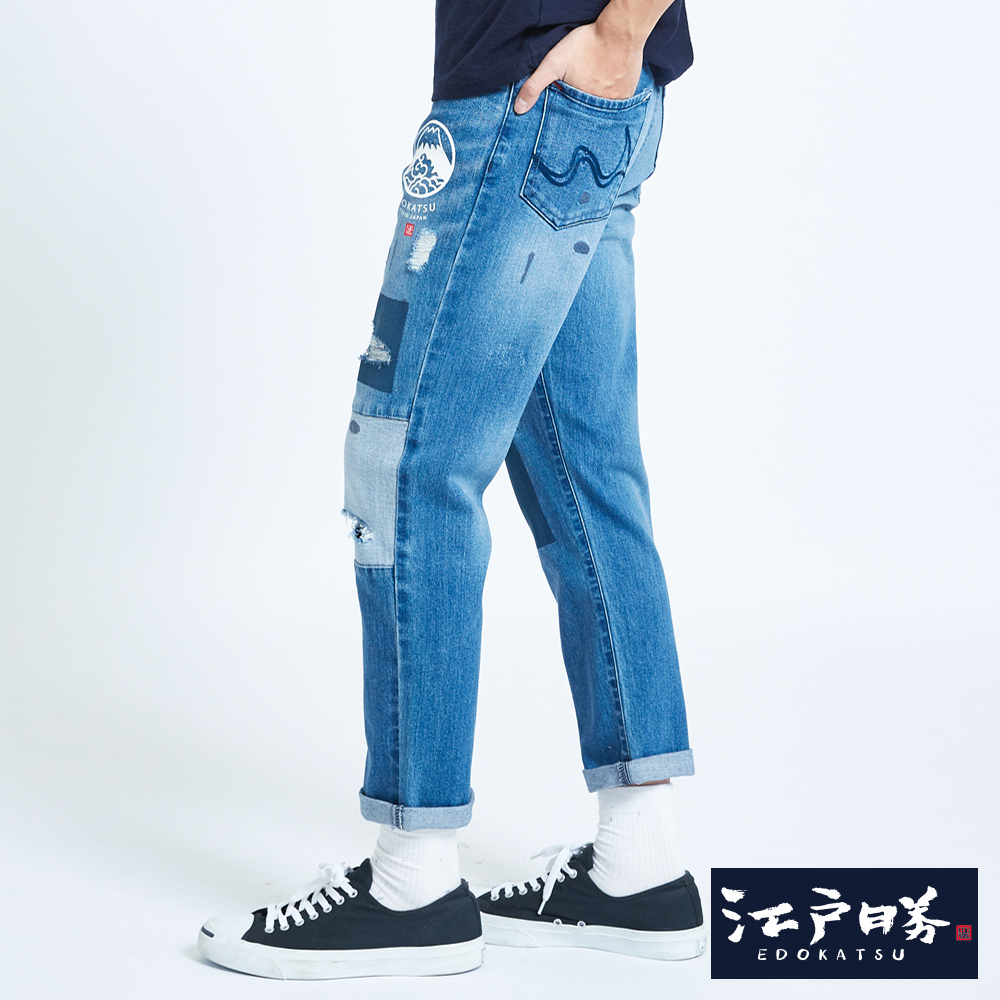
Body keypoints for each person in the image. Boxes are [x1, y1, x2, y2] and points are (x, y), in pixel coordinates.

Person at [198, 0, 705, 979]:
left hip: (528, 94)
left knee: (408, 466)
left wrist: (616, 34)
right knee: (586, 472)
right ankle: (639, 863)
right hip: (582, 98)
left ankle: (412, 883)